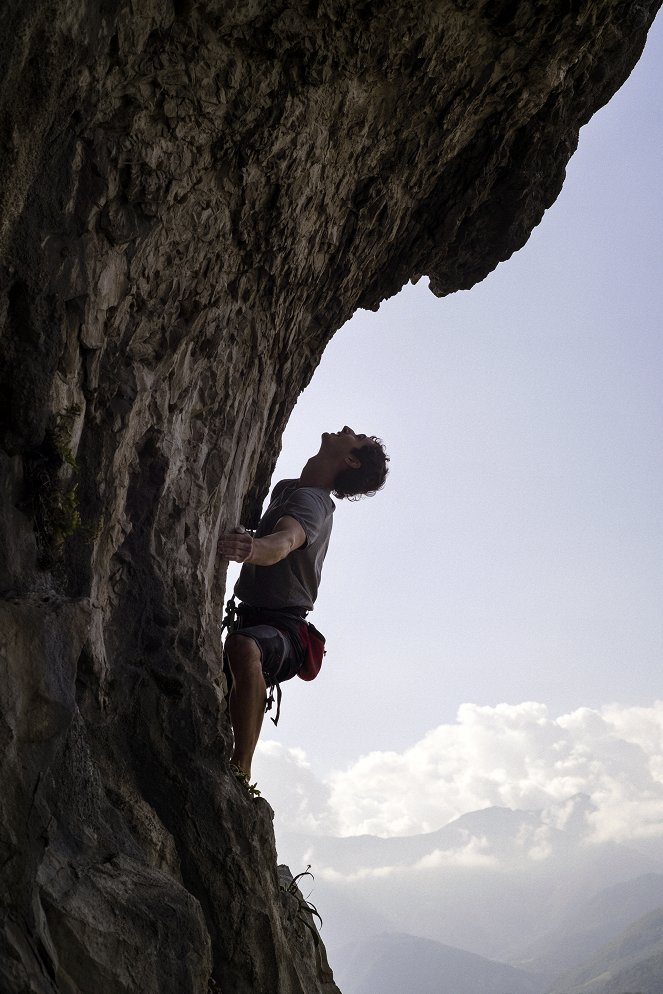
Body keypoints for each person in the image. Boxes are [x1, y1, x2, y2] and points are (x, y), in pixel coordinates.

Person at [219, 426, 389, 793]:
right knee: (238, 651)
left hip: (284, 632)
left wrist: (252, 550)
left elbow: (285, 541)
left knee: (244, 648)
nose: (346, 429)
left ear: (350, 459)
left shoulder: (312, 502)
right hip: (252, 617)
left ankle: (241, 769)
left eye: (355, 437)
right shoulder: (287, 489)